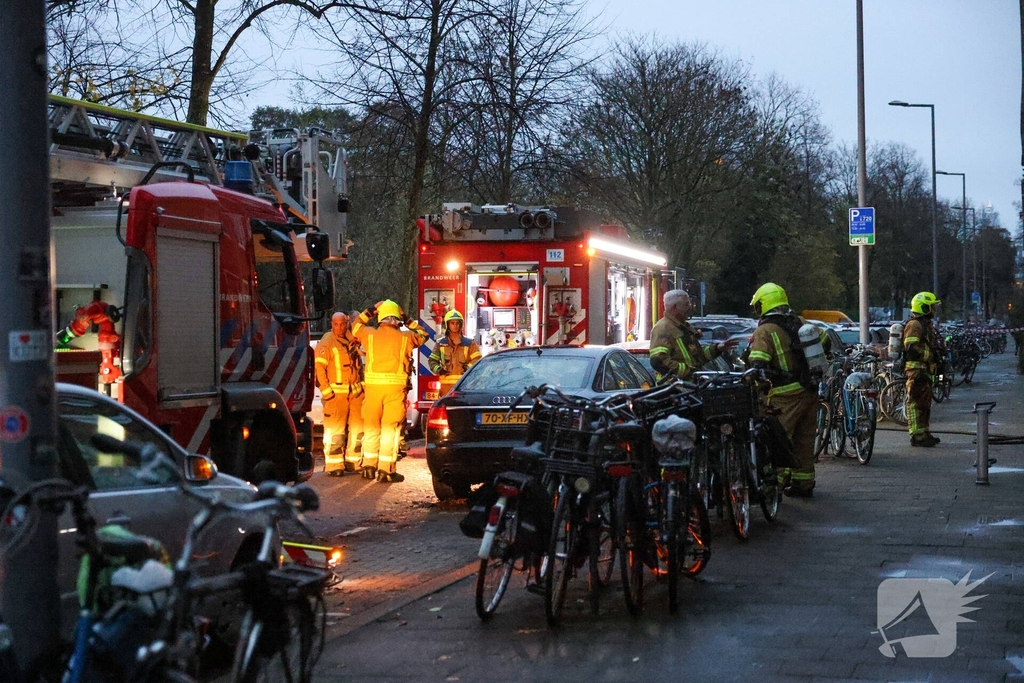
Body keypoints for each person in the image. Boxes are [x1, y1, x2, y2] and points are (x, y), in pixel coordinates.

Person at [746, 282, 829, 498]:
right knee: (804, 439)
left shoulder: (765, 330)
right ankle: (804, 483)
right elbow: (825, 340)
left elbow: (758, 362)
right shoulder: (801, 323)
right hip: (809, 389)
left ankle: (775, 487)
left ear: (763, 304)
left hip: (783, 395)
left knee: (778, 440)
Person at [353, 300, 428, 483]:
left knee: (371, 428)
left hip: (372, 390)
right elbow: (424, 335)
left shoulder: (369, 335)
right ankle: (386, 470)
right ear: (397, 319)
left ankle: (368, 467)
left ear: (380, 318)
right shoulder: (406, 337)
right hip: (395, 391)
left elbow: (354, 327)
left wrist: (370, 309)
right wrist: (407, 318)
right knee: (390, 431)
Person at [315, 312, 364, 475]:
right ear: (331, 324)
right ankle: (334, 465)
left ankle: (354, 461)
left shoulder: (351, 339)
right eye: (336, 324)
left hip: (355, 394)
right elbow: (319, 369)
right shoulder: (327, 342)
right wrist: (327, 392)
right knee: (335, 431)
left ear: (346, 323)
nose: (339, 327)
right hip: (336, 396)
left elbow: (359, 366)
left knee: (358, 429)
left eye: (342, 324)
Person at [649, 289, 737, 381]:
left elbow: (699, 356)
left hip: (690, 388)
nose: (690, 308)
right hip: (673, 390)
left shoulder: (684, 327)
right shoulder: (663, 328)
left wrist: (717, 348)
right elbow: (658, 361)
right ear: (674, 307)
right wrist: (688, 372)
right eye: (686, 305)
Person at [902, 292, 942, 447]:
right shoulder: (914, 325)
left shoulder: (925, 324)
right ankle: (916, 435)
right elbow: (911, 347)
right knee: (915, 403)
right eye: (932, 306)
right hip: (916, 369)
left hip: (924, 369)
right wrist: (928, 355)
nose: (934, 309)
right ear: (924, 307)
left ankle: (924, 433)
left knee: (925, 403)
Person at [428, 310, 482, 397]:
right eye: (452, 323)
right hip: (446, 388)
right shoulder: (441, 343)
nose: (455, 326)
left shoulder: (469, 343)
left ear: (461, 324)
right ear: (447, 325)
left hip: (464, 386)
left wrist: (468, 367)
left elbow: (477, 359)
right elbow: (432, 360)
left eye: (457, 323)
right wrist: (439, 369)